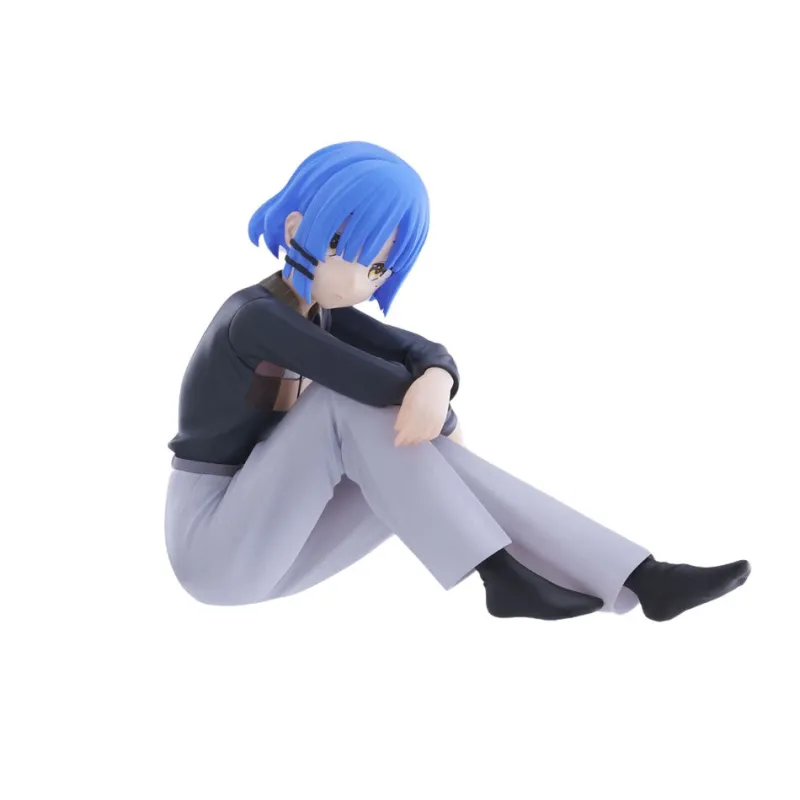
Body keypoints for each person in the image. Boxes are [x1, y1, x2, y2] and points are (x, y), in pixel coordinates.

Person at [165, 141, 750, 622]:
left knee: (404, 443)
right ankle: (500, 571)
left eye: (378, 268)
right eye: (349, 252)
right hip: (212, 544)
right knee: (345, 409)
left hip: (279, 542)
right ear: (297, 228)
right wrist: (435, 411)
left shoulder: (318, 312)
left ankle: (639, 577)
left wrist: (438, 380)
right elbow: (365, 382)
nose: (362, 281)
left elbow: (421, 351)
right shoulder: (256, 319)